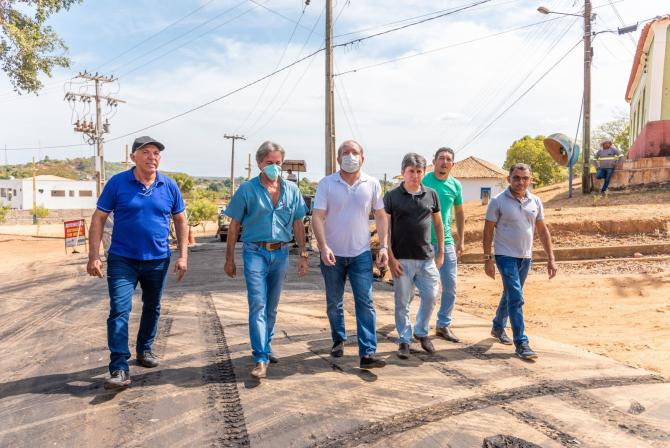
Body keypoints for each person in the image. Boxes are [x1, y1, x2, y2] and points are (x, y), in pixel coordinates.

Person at [87, 136, 188, 390]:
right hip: (122, 259)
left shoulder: (169, 185)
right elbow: (98, 218)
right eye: (145, 152)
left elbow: (181, 221)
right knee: (119, 310)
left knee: (152, 306)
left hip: (157, 259)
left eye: (156, 153)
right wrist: (94, 256)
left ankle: (144, 349)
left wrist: (183, 255)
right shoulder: (118, 183)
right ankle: (119, 366)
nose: (151, 157)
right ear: (133, 156)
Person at [224, 141, 308, 379]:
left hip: (280, 253)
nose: (273, 167)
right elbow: (234, 226)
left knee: (271, 307)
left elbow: (299, 223)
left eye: (277, 163)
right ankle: (260, 357)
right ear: (260, 163)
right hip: (255, 252)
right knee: (258, 304)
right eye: (269, 163)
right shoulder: (247, 190)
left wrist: (303, 254)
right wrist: (229, 258)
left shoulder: (292, 191)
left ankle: (266, 345)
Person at [312, 139, 389, 369]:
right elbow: (317, 216)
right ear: (338, 158)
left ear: (362, 158)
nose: (350, 156)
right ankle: (338, 339)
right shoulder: (327, 184)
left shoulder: (372, 184)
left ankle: (367, 352)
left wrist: (383, 246)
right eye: (345, 153)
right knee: (334, 302)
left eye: (354, 152)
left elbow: (381, 216)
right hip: (332, 255)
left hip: (361, 255)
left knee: (365, 302)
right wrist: (323, 246)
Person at [483, 163, 557, 361]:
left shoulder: (536, 201)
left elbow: (542, 230)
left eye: (525, 178)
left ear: (530, 180)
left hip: (526, 256)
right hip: (504, 255)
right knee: (516, 297)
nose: (521, 182)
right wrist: (487, 258)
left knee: (510, 293)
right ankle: (521, 343)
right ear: (509, 179)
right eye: (516, 177)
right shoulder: (498, 201)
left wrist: (551, 258)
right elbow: (488, 231)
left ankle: (498, 326)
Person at [385, 153, 444, 359]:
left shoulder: (431, 194)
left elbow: (438, 223)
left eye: (419, 171)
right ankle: (404, 339)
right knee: (402, 302)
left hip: (427, 257)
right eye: (411, 171)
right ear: (403, 173)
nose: (415, 175)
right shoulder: (392, 196)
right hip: (401, 259)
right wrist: (390, 257)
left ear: (423, 173)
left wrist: (441, 250)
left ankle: (421, 331)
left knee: (431, 295)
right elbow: (386, 230)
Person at [422, 147, 465, 343]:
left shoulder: (455, 186)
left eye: (448, 159)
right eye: (441, 158)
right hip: (420, 242)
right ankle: (417, 327)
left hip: (445, 243)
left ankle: (443, 325)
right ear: (434, 161)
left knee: (450, 285)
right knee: (423, 288)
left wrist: (461, 239)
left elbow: (460, 214)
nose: (444, 162)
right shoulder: (423, 181)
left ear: (452, 164)